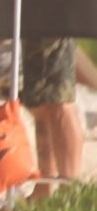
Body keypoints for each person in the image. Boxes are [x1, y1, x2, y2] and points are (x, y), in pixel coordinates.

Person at [22, 38, 85, 199]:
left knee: (59, 101)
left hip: (54, 20)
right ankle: (44, 187)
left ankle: (71, 193)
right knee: (41, 103)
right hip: (36, 21)